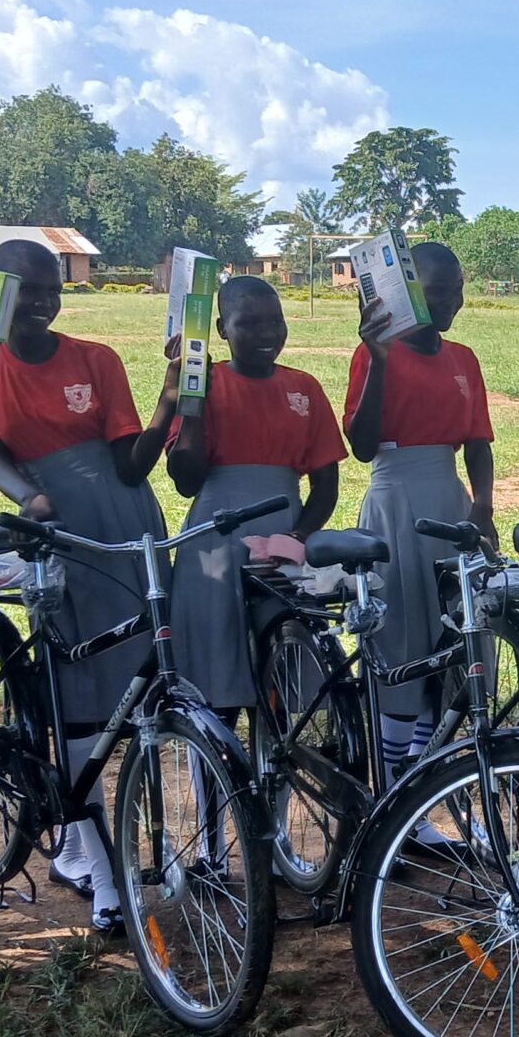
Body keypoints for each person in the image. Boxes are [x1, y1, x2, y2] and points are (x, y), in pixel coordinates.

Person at [0, 239, 177, 934]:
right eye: (25, 289)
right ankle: (100, 866)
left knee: (141, 690)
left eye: (51, 287)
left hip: (120, 525)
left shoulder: (96, 359)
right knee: (78, 702)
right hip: (53, 530)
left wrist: (169, 402)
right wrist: (29, 497)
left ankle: (140, 846)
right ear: (0, 291)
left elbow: (130, 463)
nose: (42, 300)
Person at [344, 241, 493, 776]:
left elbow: (477, 442)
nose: (452, 300)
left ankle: (422, 782)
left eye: (457, 289)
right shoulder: (376, 353)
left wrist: (484, 506)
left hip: (449, 504)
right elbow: (362, 446)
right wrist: (379, 364)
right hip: (396, 502)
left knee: (448, 641)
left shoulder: (464, 359)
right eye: (437, 291)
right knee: (403, 642)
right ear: (409, 294)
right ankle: (392, 785)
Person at [165, 275, 343, 720]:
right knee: (213, 682)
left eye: (276, 322)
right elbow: (186, 480)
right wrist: (192, 399)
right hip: (214, 543)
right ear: (222, 329)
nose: (267, 334)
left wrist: (297, 538)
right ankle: (216, 784)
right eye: (250, 323)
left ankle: (275, 784)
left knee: (285, 679)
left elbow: (326, 485)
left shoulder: (304, 387)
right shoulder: (206, 383)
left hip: (283, 541)